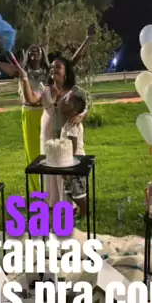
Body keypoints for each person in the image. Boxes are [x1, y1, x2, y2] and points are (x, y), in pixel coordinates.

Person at [0, 28, 92, 193]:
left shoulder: (50, 72)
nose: (34, 52)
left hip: (48, 113)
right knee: (36, 155)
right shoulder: (21, 71)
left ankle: (63, 192)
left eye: (37, 50)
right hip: (30, 113)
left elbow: (71, 62)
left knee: (56, 153)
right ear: (27, 55)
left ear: (43, 54)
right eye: (31, 50)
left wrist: (87, 40)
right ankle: (40, 191)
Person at [9, 52, 86, 208]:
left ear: (66, 72)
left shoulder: (74, 90)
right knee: (50, 168)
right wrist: (25, 79)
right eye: (52, 67)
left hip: (67, 137)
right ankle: (53, 203)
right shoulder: (45, 90)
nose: (53, 69)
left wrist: (79, 117)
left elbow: (84, 109)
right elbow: (30, 99)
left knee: (67, 168)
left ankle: (72, 205)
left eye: (58, 67)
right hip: (48, 137)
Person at [59, 89, 87, 217]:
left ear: (74, 111)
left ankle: (84, 211)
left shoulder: (72, 125)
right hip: (69, 160)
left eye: (68, 101)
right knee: (69, 189)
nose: (65, 102)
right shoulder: (69, 122)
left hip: (75, 161)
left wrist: (69, 166)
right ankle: (81, 209)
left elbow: (73, 147)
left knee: (77, 190)